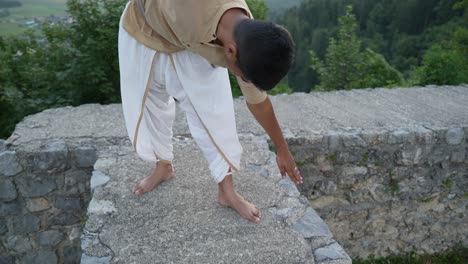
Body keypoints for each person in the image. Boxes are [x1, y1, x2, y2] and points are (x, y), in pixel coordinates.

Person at [118, 0, 302, 224]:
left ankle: (227, 191)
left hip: (190, 37)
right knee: (149, 102)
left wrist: (282, 148)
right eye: (244, 76)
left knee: (215, 112)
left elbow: (258, 101)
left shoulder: (250, 37)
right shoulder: (188, 13)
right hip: (144, 27)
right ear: (230, 51)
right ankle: (163, 166)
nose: (244, 80)